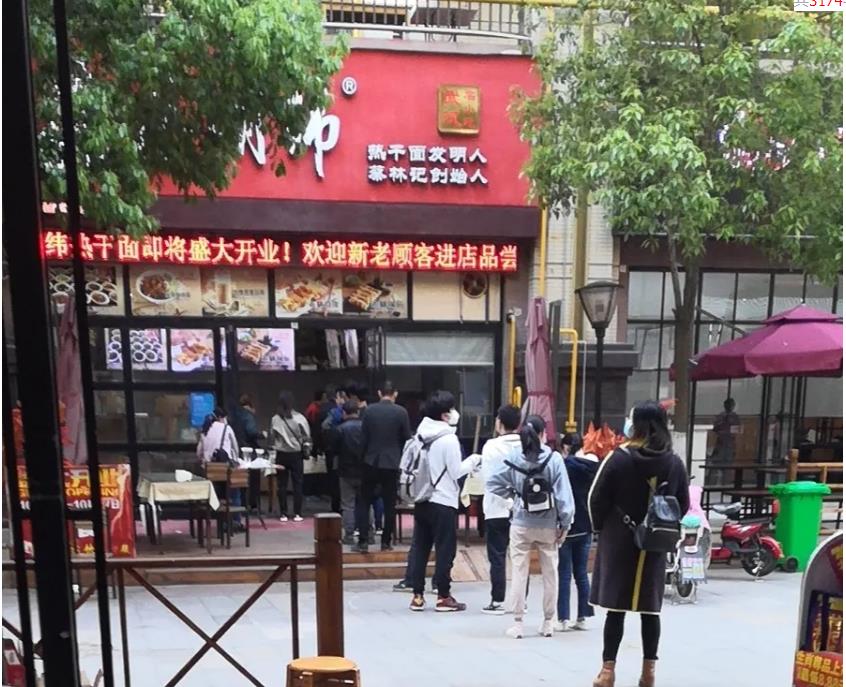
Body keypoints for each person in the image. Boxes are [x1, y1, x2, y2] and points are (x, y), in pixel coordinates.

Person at [588, 401, 690, 687]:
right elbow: (683, 504)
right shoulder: (674, 463)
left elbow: (596, 498)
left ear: (638, 424)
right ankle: (648, 673)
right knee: (650, 610)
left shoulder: (618, 458)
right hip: (655, 543)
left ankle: (607, 672)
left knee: (616, 610)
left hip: (619, 541)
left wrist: (601, 528)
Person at [488, 414, 574, 639]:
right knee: (550, 573)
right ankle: (548, 622)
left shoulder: (514, 457)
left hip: (521, 523)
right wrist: (565, 523)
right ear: (543, 433)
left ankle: (518, 623)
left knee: (519, 572)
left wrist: (514, 495)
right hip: (548, 524)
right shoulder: (554, 459)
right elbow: (564, 496)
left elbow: (492, 482)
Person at [408, 390, 480, 612]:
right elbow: (456, 471)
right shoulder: (448, 439)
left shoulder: (419, 436)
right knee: (445, 550)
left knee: (420, 548)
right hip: (443, 501)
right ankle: (443, 596)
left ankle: (417, 596)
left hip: (422, 498)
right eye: (451, 409)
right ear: (444, 415)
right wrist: (474, 460)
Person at [358, 381, 411, 553]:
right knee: (389, 503)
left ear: (380, 393)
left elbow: (363, 438)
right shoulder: (401, 412)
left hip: (371, 460)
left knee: (364, 501)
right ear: (395, 393)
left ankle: (363, 541)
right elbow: (407, 438)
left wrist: (362, 458)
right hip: (392, 462)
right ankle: (386, 542)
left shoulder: (369, 411)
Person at [478, 404, 521, 615]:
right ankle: (521, 600)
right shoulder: (525, 445)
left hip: (496, 507)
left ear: (500, 423)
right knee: (520, 556)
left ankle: (498, 600)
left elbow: (487, 477)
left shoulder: (491, 446)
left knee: (497, 555)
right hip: (521, 508)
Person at [556, 431, 598, 632]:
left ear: (565, 447)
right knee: (581, 573)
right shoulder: (593, 467)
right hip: (586, 525)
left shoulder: (564, 466)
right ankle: (582, 617)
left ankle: (563, 618)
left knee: (564, 574)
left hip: (567, 526)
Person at [196, 406, 243, 528]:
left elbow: (198, 453)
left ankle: (219, 520)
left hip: (210, 472)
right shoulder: (227, 428)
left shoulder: (205, 430)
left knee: (217, 493)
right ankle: (236, 521)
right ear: (222, 418)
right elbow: (235, 449)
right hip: (225, 470)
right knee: (234, 492)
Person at [271, 392, 311, 523]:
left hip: (281, 454)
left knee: (281, 485)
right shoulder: (300, 418)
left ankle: (283, 513)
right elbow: (307, 436)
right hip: (296, 454)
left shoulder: (275, 419)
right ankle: (297, 513)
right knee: (297, 484)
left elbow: (273, 436)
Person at [329, 400, 366, 544]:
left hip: (345, 471)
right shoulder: (366, 428)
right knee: (365, 503)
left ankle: (349, 535)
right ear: (358, 411)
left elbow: (333, 450)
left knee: (347, 505)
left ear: (344, 413)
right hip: (364, 470)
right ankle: (368, 533)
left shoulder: (339, 429)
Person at [233, 395, 262, 510]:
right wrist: (262, 435)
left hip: (238, 450)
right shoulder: (248, 416)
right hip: (249, 451)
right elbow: (251, 432)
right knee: (254, 478)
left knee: (241, 479)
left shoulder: (235, 416)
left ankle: (242, 503)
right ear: (250, 405)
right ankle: (254, 504)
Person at [710, 398, 740, 476]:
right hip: (722, 444)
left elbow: (737, 430)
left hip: (729, 444)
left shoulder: (734, 417)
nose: (730, 407)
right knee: (717, 465)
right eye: (729, 405)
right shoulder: (721, 416)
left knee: (727, 467)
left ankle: (724, 480)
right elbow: (715, 428)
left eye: (731, 405)